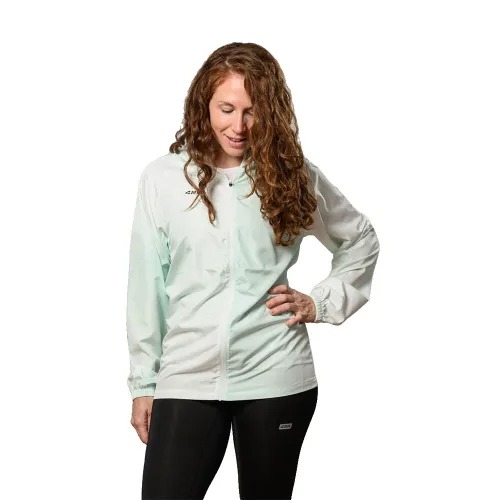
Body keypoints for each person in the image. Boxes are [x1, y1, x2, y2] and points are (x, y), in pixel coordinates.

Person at [126, 42, 380, 500]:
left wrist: (321, 302)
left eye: (252, 111)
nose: (238, 126)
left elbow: (359, 238)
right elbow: (147, 286)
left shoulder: (291, 175)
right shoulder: (163, 179)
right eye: (226, 109)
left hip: (276, 371)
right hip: (187, 373)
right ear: (203, 104)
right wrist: (145, 382)